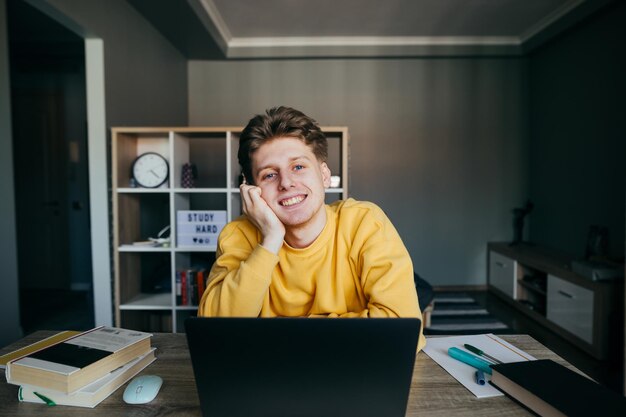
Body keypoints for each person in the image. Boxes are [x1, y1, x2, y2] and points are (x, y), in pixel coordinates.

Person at [198, 106, 424, 350]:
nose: (286, 183)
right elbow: (214, 333)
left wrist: (293, 331)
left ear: (324, 175)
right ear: (251, 190)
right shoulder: (238, 235)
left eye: (298, 167)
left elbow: (404, 329)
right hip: (269, 377)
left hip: (354, 370)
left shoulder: (364, 222)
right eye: (269, 175)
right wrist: (271, 239)